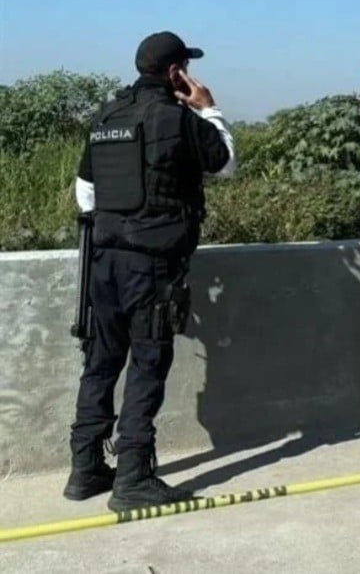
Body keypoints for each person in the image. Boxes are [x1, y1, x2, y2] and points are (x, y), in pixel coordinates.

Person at [65, 31, 236, 511]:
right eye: (186, 69)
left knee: (101, 360)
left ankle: (85, 467)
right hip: (152, 264)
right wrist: (209, 108)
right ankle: (134, 477)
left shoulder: (106, 117)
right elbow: (224, 163)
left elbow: (85, 193)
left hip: (103, 261)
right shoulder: (179, 118)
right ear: (176, 72)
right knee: (147, 363)